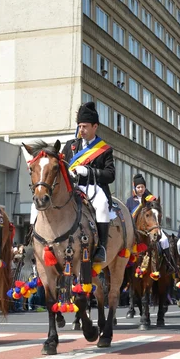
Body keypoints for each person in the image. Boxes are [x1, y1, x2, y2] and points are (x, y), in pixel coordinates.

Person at [62, 102, 115, 263]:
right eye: (79, 126)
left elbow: (110, 175)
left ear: (95, 126)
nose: (81, 130)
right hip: (73, 187)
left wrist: (89, 171)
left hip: (94, 188)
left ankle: (102, 247)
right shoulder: (70, 146)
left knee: (102, 205)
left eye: (85, 126)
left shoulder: (104, 149)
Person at [125, 173, 175, 272]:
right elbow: (128, 214)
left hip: (151, 227)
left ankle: (169, 263)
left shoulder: (151, 199)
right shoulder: (130, 201)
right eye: (138, 187)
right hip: (136, 229)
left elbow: (157, 212)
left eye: (142, 187)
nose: (140, 189)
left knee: (164, 240)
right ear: (135, 188)